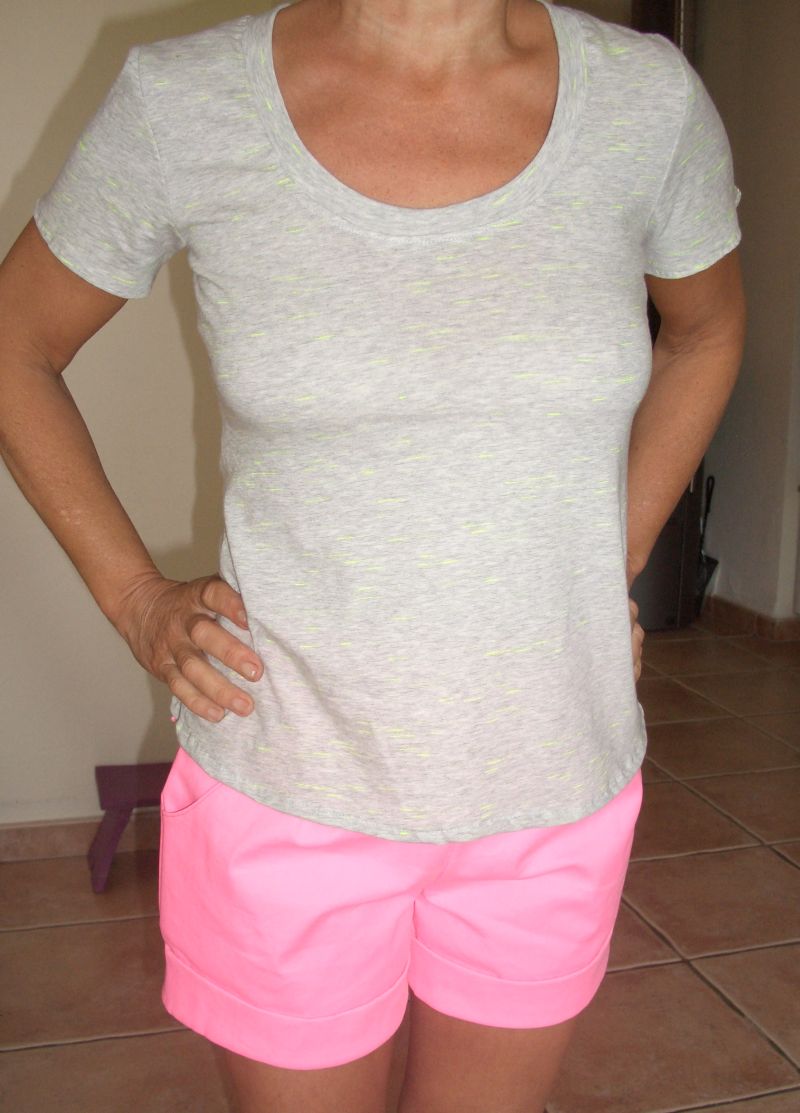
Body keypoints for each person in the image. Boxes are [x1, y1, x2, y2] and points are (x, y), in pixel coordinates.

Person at [0, 0, 745, 1109]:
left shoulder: (646, 102)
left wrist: (611, 558)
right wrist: (136, 597)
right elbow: (15, 344)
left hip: (551, 781)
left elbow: (706, 329)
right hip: (289, 781)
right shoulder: (183, 101)